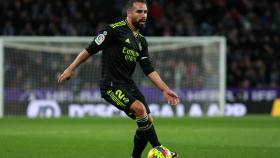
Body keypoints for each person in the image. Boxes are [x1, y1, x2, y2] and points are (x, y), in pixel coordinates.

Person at [58, 0, 180, 157]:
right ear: (129, 13)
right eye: (139, 12)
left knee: (148, 120)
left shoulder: (141, 41)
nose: (144, 15)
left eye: (145, 12)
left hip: (128, 84)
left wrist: (165, 89)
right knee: (139, 109)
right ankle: (160, 149)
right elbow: (89, 49)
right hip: (110, 84)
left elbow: (148, 69)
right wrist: (70, 69)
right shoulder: (113, 30)